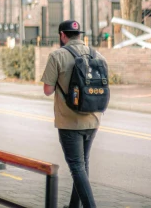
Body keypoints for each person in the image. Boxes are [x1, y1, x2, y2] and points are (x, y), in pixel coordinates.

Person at [41, 20, 105, 208]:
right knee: (82, 165)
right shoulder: (97, 54)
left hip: (69, 121)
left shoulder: (57, 56)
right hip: (93, 119)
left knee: (77, 167)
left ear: (62, 35)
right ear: (79, 35)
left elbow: (47, 90)